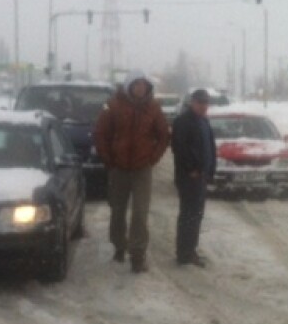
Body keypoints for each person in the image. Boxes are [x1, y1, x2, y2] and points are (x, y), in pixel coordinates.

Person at [93, 72, 170, 273]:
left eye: (143, 85)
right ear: (129, 86)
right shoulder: (114, 105)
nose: (140, 88)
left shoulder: (153, 108)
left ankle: (137, 255)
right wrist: (109, 159)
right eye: (136, 85)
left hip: (142, 169)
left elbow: (163, 136)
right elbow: (100, 133)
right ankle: (119, 246)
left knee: (140, 213)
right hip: (118, 168)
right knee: (118, 211)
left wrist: (153, 158)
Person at [170, 89, 216, 267]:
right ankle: (183, 253)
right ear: (192, 103)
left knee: (196, 215)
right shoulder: (183, 122)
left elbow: (210, 148)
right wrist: (191, 169)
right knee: (188, 215)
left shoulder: (204, 121)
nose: (203, 106)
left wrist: (210, 170)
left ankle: (191, 249)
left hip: (201, 176)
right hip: (189, 177)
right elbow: (179, 148)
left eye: (206, 103)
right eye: (200, 102)